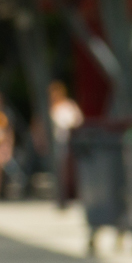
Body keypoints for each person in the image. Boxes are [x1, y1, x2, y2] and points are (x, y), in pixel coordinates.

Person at [50, 77, 84, 205]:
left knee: (72, 168)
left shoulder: (70, 105)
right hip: (56, 143)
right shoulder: (49, 107)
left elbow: (78, 121)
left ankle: (72, 194)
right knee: (60, 168)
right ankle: (61, 195)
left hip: (70, 142)